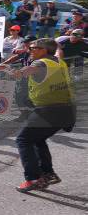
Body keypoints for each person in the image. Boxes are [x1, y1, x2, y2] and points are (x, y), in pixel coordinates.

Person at [11, 38, 75, 192]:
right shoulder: (59, 61)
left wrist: (7, 70)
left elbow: (23, 73)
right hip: (67, 110)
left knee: (23, 139)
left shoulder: (40, 63)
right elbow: (59, 51)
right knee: (37, 139)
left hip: (49, 110)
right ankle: (48, 174)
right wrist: (57, 44)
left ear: (44, 50)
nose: (29, 50)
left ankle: (33, 179)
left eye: (33, 48)